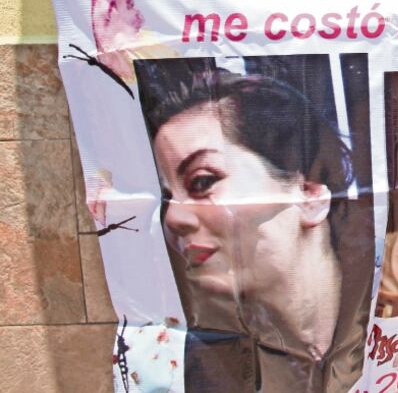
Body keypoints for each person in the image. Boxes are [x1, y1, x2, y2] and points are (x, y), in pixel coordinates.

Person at [135, 59, 373, 392]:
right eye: (166, 197)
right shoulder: (193, 364)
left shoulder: (391, 320)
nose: (173, 218)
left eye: (202, 182)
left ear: (308, 196)